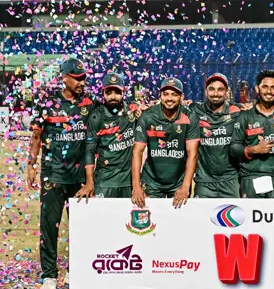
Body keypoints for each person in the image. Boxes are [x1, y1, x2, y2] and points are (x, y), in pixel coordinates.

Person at [27, 58, 99, 289]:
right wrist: (31, 165)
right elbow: (36, 136)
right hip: (53, 175)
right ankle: (49, 276)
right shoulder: (46, 104)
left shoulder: (90, 102)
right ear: (64, 78)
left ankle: (75, 271)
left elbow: (111, 112)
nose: (82, 82)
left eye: (83, 78)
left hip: (80, 178)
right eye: (77, 78)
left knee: (80, 228)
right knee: (49, 227)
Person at [231, 70, 274, 198]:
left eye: (273, 87)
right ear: (257, 88)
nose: (269, 91)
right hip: (250, 177)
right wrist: (254, 149)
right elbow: (233, 149)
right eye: (265, 87)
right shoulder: (244, 116)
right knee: (251, 217)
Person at [132, 78, 200, 207]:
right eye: (166, 94)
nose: (169, 98)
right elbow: (137, 152)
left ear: (181, 96)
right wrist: (136, 187)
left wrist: (186, 186)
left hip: (178, 181)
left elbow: (193, 154)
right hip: (151, 181)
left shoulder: (190, 117)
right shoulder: (147, 116)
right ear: (160, 95)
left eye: (174, 95)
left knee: (177, 222)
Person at [78, 72, 135, 200]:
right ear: (103, 93)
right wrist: (89, 182)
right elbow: (90, 150)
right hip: (104, 182)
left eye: (117, 92)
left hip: (128, 182)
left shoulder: (132, 111)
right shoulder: (96, 117)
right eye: (108, 93)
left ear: (124, 93)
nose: (113, 96)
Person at [190, 73, 244, 198]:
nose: (215, 94)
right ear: (205, 91)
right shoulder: (194, 111)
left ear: (226, 92)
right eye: (211, 89)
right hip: (204, 182)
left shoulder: (237, 113)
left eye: (220, 89)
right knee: (201, 217)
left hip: (230, 180)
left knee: (235, 216)